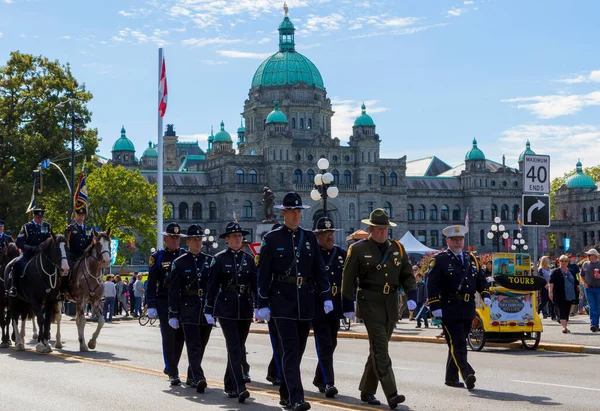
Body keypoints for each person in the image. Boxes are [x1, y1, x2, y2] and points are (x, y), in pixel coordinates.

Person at [256, 192, 333, 411]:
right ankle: (297, 397)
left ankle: (285, 393)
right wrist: (261, 302)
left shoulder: (308, 238)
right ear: (284, 213)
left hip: (305, 301)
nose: (296, 216)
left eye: (299, 212)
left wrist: (326, 296)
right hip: (282, 301)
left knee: (297, 351)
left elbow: (319, 269)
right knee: (289, 350)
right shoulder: (272, 239)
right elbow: (264, 272)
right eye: (292, 212)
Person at [341, 208, 416, 409]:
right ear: (370, 229)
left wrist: (412, 295)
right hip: (369, 303)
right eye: (378, 229)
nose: (382, 233)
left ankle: (367, 391)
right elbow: (347, 279)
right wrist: (347, 304)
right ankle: (391, 393)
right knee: (381, 349)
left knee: (376, 349)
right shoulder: (358, 249)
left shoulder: (398, 249)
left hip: (390, 304)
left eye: (385, 229)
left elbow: (407, 274)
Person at [427, 225, 491, 391]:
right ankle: (467, 373)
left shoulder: (471, 259)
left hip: (468, 307)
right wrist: (434, 304)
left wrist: (485, 294)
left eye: (460, 239)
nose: (458, 242)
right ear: (447, 241)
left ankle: (451, 378)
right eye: (455, 239)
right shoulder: (440, 259)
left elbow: (480, 279)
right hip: (449, 307)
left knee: (456, 344)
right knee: (458, 343)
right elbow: (432, 283)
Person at [205, 221, 256, 403]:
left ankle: (229, 382)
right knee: (234, 347)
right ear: (226, 239)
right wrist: (208, 310)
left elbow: (255, 285)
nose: (237, 239)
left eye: (240, 236)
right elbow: (211, 287)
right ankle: (240, 386)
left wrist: (260, 306)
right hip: (226, 307)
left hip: (244, 307)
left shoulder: (249, 259)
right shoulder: (219, 259)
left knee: (238, 348)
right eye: (234, 236)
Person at [311, 216, 354, 398]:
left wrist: (348, 306)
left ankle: (319, 378)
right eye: (325, 234)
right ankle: (329, 382)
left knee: (332, 342)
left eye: (331, 233)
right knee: (325, 344)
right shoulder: (313, 255)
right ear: (317, 236)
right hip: (318, 305)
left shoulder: (342, 254)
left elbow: (349, 282)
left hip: (335, 305)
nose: (330, 237)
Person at [168, 224, 213, 393]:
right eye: (194, 240)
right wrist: (173, 313)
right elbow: (173, 290)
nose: (198, 243)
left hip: (205, 309)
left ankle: (191, 375)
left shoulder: (209, 261)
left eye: (200, 239)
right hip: (187, 307)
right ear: (188, 241)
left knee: (202, 344)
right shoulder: (179, 263)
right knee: (193, 344)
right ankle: (199, 377)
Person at [146, 222, 186, 381]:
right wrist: (151, 304)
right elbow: (151, 281)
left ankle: (171, 364)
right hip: (164, 301)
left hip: (182, 302)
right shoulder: (158, 257)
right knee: (168, 336)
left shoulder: (184, 254)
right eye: (172, 238)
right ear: (166, 239)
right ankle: (173, 372)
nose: (175, 241)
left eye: (177, 238)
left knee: (180, 337)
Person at [8, 207, 53, 297]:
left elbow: (51, 239)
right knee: (17, 264)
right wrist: (31, 248)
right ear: (34, 217)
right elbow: (19, 242)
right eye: (38, 217)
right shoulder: (26, 227)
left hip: (43, 254)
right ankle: (14, 287)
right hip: (29, 254)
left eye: (41, 217)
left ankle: (57, 290)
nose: (40, 219)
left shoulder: (47, 226)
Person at [264, 222, 283, 387]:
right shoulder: (268, 252)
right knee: (278, 342)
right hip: (273, 301)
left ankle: (273, 371)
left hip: (286, 300)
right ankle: (278, 373)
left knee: (284, 343)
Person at [62, 208, 93, 299]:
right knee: (66, 271)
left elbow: (91, 242)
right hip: (73, 255)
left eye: (82, 215)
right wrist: (67, 231)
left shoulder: (88, 229)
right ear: (75, 216)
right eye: (79, 215)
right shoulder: (70, 228)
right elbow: (65, 241)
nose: (81, 217)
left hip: (84, 256)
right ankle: (63, 290)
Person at [550, 255, 580, 333]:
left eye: (565, 261)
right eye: (562, 261)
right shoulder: (555, 271)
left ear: (568, 262)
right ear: (559, 262)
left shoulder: (571, 271)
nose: (563, 263)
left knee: (567, 310)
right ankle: (564, 327)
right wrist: (550, 292)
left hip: (570, 293)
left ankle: (565, 326)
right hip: (559, 294)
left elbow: (576, 282)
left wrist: (580, 290)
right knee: (562, 309)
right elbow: (551, 282)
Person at [580, 249, 600, 332]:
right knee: (592, 307)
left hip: (599, 288)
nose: (590, 257)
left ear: (595, 256)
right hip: (589, 288)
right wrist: (584, 283)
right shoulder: (585, 264)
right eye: (589, 255)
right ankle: (593, 325)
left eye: (591, 255)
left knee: (598, 307)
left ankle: (597, 324)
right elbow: (581, 275)